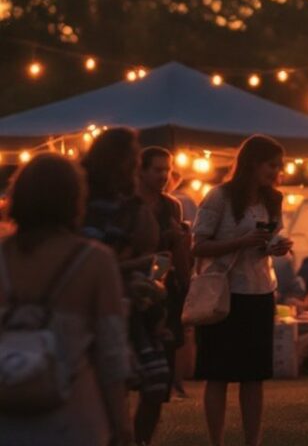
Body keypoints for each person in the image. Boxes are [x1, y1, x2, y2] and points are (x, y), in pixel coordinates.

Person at [4, 152, 133, 446]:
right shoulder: (95, 261)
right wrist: (122, 425)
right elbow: (111, 351)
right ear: (75, 200)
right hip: (74, 418)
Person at [191, 134, 291, 446]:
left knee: (254, 375)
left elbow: (269, 238)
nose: (276, 172)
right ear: (252, 163)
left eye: (278, 166)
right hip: (224, 292)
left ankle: (253, 440)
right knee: (218, 373)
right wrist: (240, 241)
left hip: (259, 290)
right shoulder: (220, 196)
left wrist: (276, 247)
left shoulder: (273, 200)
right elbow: (199, 245)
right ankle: (216, 441)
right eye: (271, 165)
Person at [78, 128, 165, 444]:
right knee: (110, 381)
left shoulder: (131, 202)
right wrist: (133, 262)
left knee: (156, 382)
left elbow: (148, 241)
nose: (135, 161)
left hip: (132, 299)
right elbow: (88, 259)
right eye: (132, 155)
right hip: (94, 301)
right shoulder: (84, 199)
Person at [134, 146, 188, 443]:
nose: (164, 176)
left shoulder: (171, 206)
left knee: (157, 384)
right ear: (140, 171)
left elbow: (182, 259)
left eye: (167, 170)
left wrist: (180, 243)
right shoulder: (126, 206)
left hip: (165, 294)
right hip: (131, 292)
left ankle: (143, 439)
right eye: (157, 170)